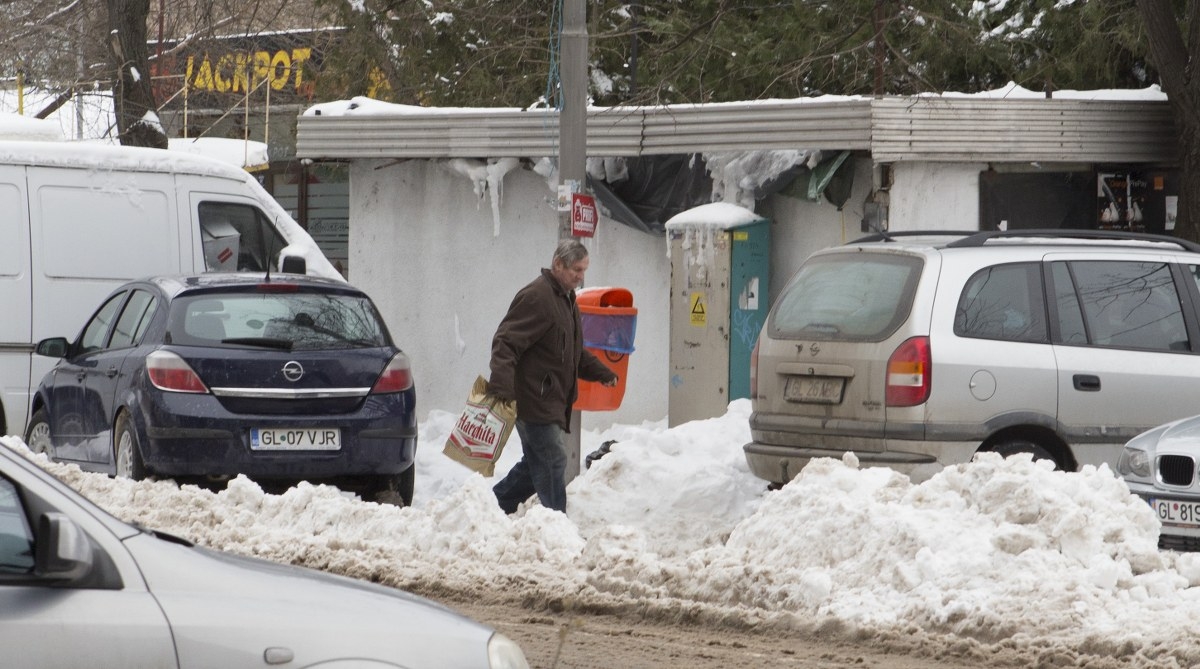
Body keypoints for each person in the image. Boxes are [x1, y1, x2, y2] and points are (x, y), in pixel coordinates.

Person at [489, 239, 618, 514]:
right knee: (553, 459)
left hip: (552, 398)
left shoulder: (566, 299)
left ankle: (492, 506)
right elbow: (505, 342)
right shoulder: (537, 297)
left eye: (584, 270)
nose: (581, 276)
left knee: (535, 463)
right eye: (576, 270)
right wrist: (502, 388)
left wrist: (601, 372)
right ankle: (555, 521)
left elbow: (573, 351)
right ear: (558, 264)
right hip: (533, 398)